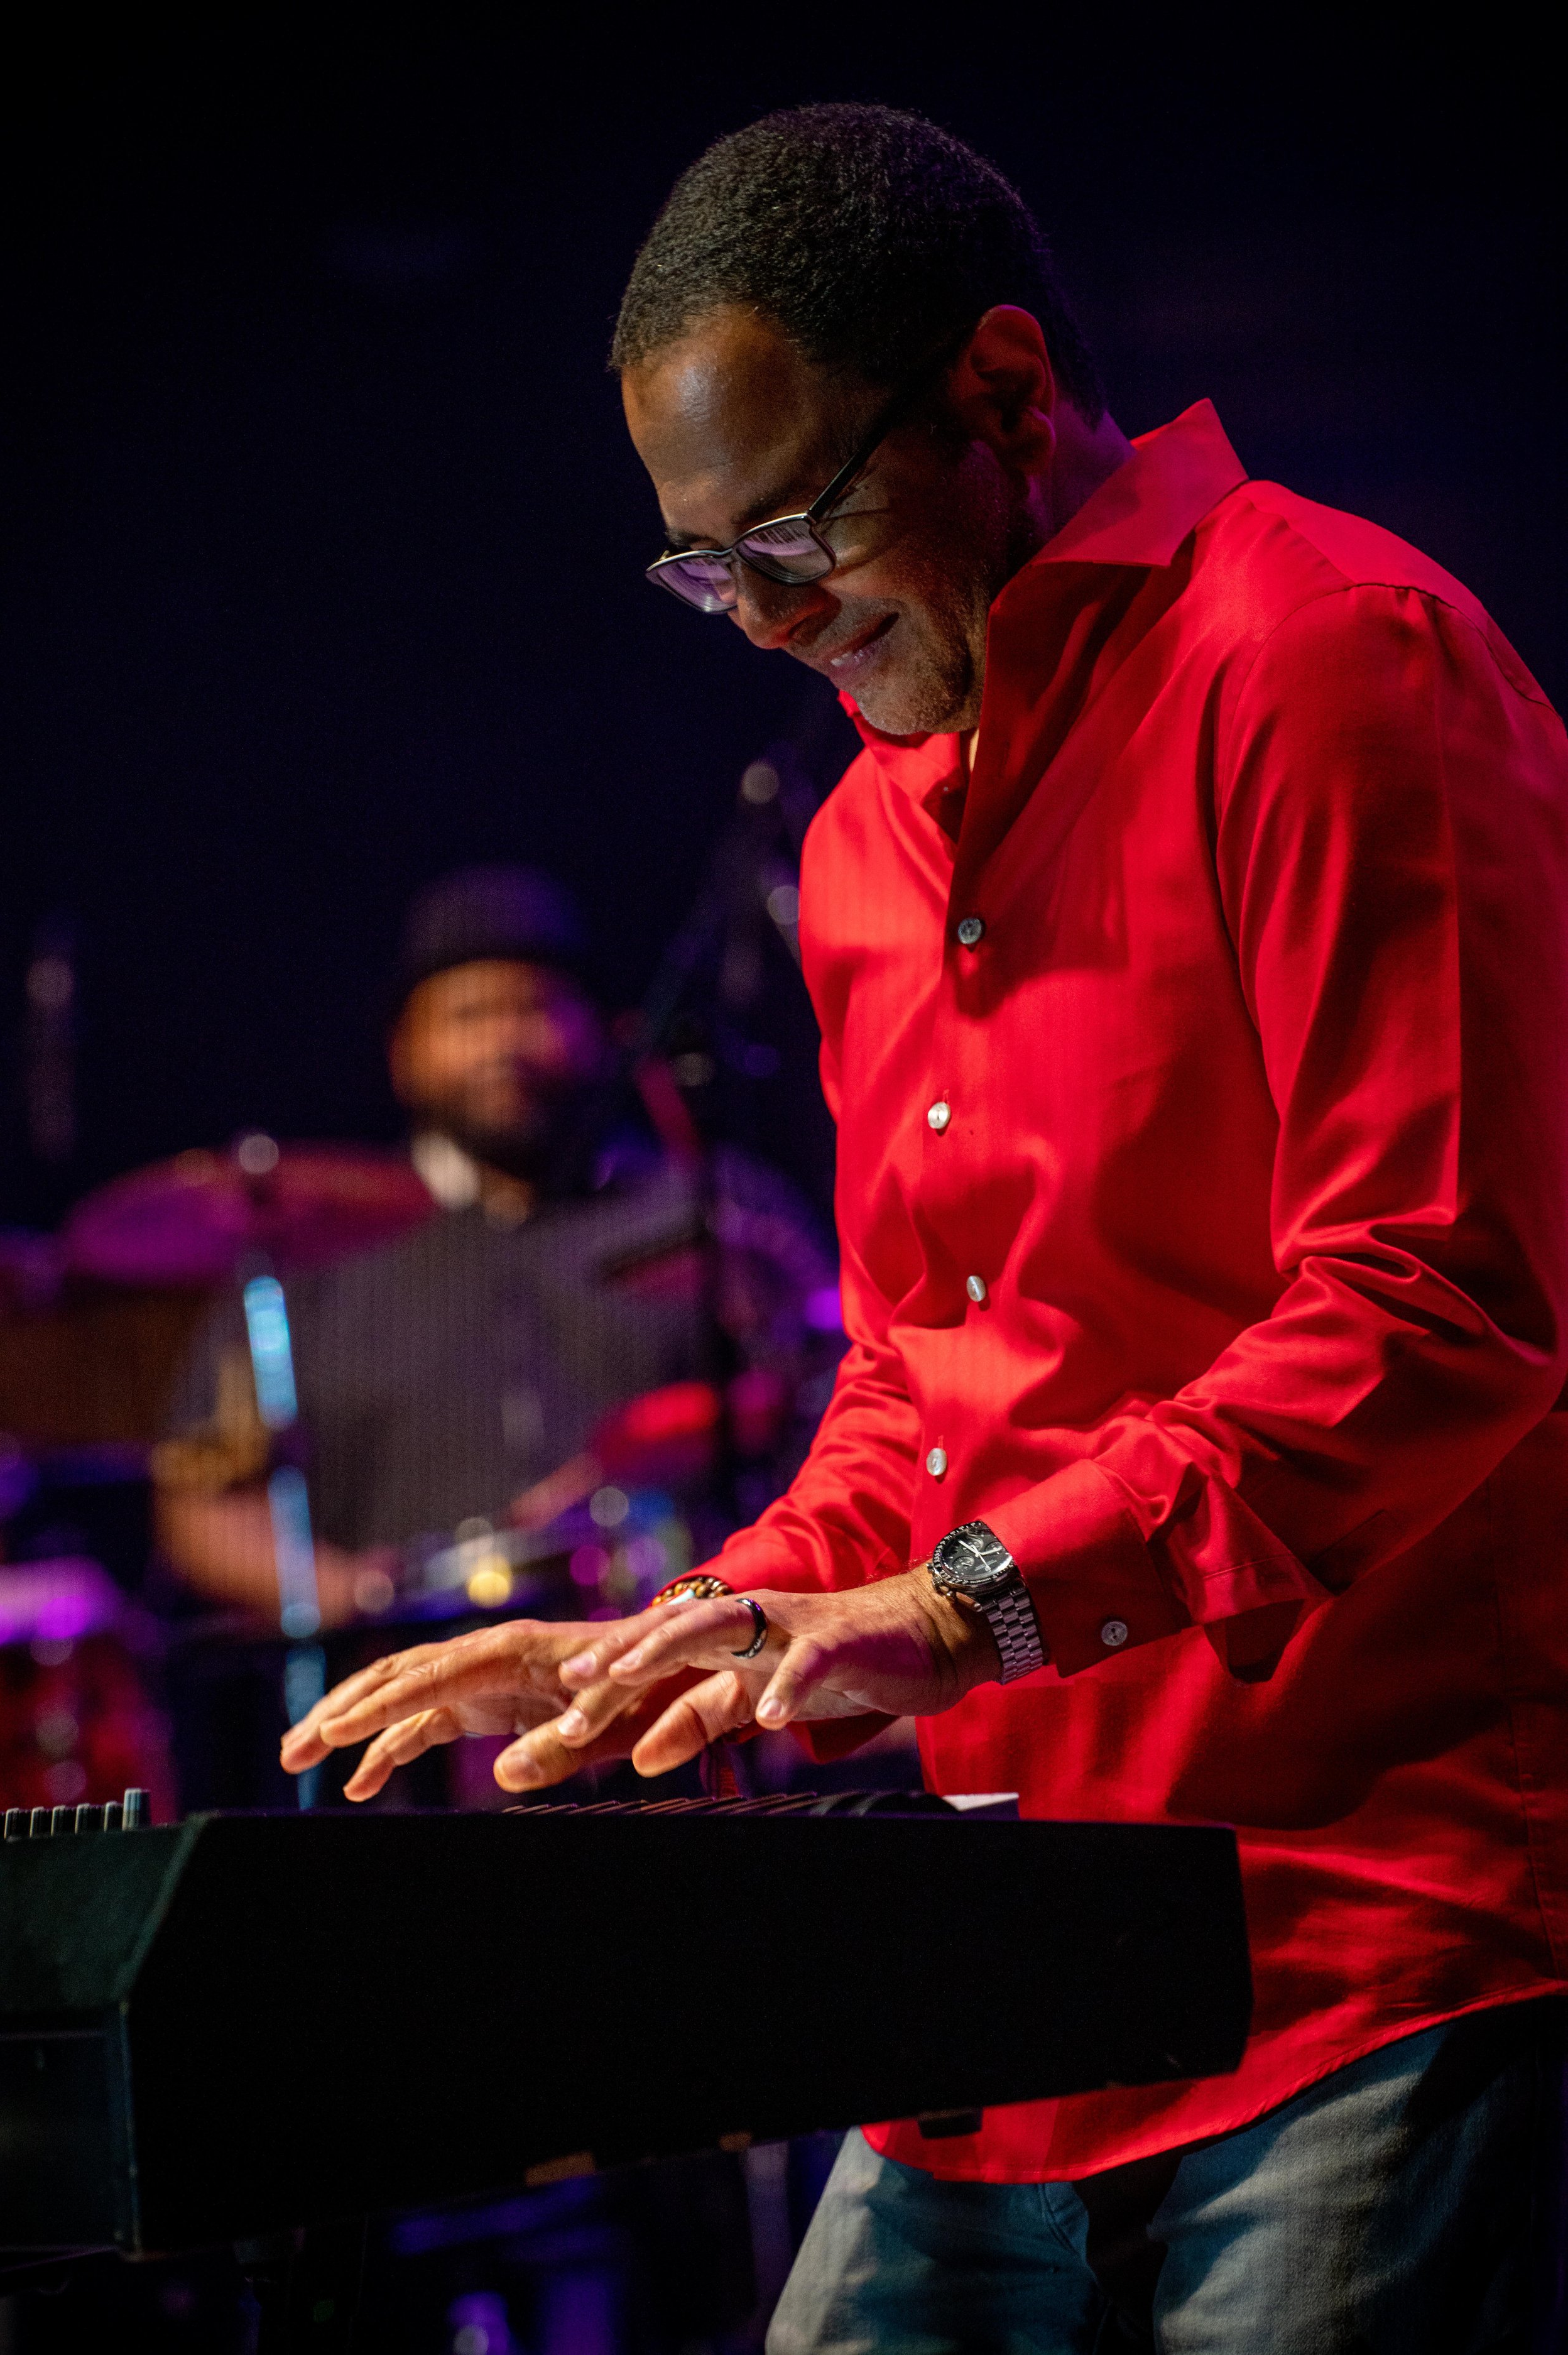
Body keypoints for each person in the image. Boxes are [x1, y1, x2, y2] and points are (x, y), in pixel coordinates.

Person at [284, 107, 1568, 2349]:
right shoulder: (865, 840)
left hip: (1363, 1933)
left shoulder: (1324, 656)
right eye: (709, 570)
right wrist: (689, 1629)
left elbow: (1434, 1298)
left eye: (798, 529)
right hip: (998, 1963)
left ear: (1000, 386)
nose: (770, 621)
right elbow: (915, 1378)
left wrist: (962, 1607)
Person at [157, 863, 837, 1638]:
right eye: (468, 1015)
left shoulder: (709, 1209)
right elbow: (202, 1494)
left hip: (686, 1648)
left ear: (601, 1031)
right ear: (403, 1053)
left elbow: (837, 1399)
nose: (505, 1041)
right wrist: (344, 1591)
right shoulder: (310, 1257)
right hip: (412, 1668)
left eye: (536, 1006)